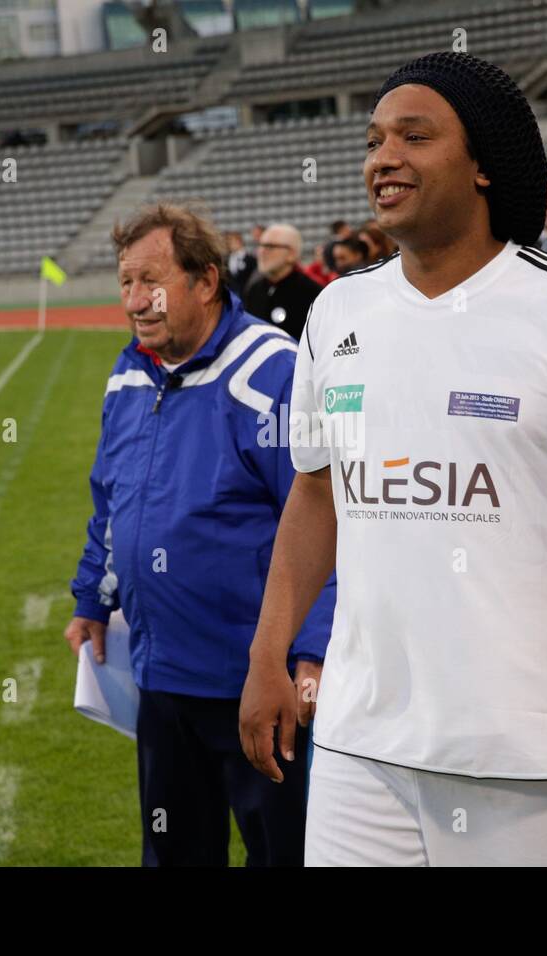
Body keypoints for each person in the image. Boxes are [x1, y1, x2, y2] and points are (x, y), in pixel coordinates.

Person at [239, 51, 547, 866]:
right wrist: (269, 656)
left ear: (482, 166)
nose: (383, 158)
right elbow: (314, 498)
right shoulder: (337, 311)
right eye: (373, 141)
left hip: (525, 758)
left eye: (414, 135)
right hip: (358, 746)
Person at [65, 203, 335, 866]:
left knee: (284, 855)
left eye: (149, 281)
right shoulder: (129, 372)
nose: (133, 300)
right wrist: (91, 599)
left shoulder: (271, 370)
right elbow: (111, 499)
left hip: (258, 683)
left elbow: (328, 519)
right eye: (125, 282)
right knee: (176, 853)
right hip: (162, 681)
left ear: (206, 281)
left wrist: (310, 652)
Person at [242, 223, 323, 340]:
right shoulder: (253, 289)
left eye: (269, 246)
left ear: (291, 254)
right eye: (260, 245)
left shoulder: (313, 293)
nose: (261, 251)